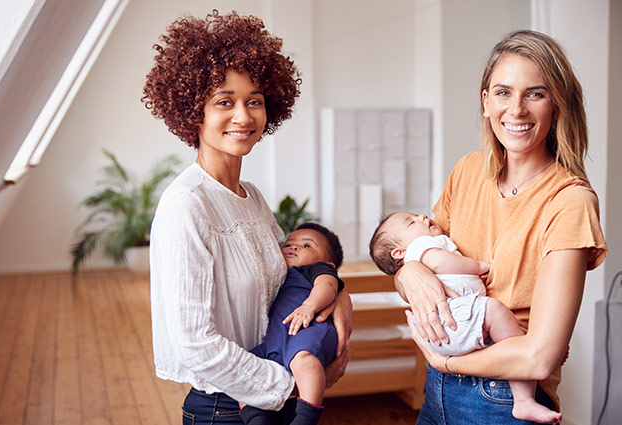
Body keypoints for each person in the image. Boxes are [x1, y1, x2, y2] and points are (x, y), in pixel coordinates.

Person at [142, 10, 352, 424]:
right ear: (192, 112)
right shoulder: (187, 204)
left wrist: (339, 300)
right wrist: (291, 385)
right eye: (224, 102)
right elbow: (193, 343)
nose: (243, 116)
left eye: (254, 101)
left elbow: (291, 277)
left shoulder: (251, 197)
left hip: (271, 401)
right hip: (226, 408)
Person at [393, 30, 607, 425]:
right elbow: (418, 257)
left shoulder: (570, 202)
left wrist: (447, 360)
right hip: (436, 389)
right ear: (485, 101)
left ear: (558, 105)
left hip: (503, 399)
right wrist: (411, 272)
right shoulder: (468, 171)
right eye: (504, 92)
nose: (517, 110)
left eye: (536, 94)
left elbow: (539, 356)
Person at [370, 211, 561, 423]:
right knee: (496, 312)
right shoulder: (420, 247)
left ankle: (529, 363)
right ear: (399, 252)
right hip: (450, 319)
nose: (423, 217)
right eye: (411, 222)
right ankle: (524, 399)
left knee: (499, 326)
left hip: (449, 328)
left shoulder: (424, 247)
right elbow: (441, 262)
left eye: (417, 215)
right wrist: (477, 266)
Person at [241, 222, 345, 425]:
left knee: (303, 360)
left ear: (329, 264)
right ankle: (255, 417)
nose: (294, 247)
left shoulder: (317, 270)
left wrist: (310, 306)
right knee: (245, 368)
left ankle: (306, 418)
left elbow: (328, 286)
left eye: (307, 246)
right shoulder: (276, 275)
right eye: (289, 243)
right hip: (278, 339)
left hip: (310, 329)